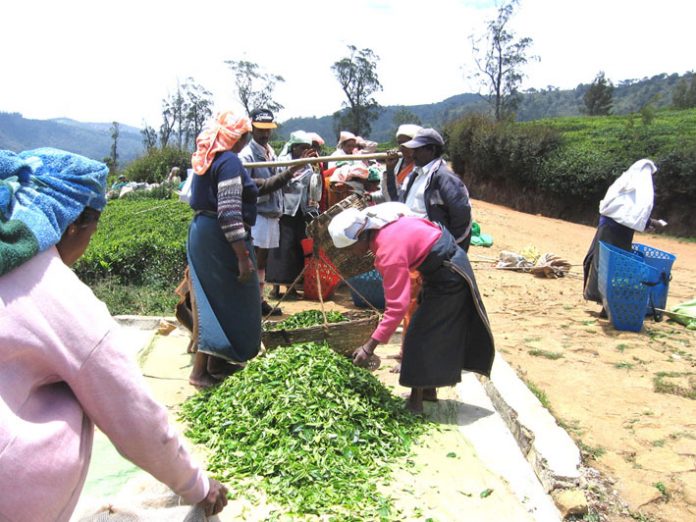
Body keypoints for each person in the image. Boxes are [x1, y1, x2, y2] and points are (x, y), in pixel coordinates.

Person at [0, 147, 228, 521]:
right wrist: (199, 486)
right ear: (74, 224)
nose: (89, 242)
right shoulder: (54, 292)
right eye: (93, 229)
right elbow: (136, 418)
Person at [327, 202, 495, 414]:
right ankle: (428, 391)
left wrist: (369, 347)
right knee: (427, 330)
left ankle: (415, 404)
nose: (353, 254)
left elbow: (397, 307)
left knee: (418, 335)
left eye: (351, 249)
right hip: (438, 270)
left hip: (449, 274)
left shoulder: (388, 250)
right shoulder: (382, 225)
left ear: (361, 237)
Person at [582, 158, 667, 315]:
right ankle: (606, 304)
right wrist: (647, 222)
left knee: (609, 264)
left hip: (614, 228)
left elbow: (632, 211)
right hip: (614, 231)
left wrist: (648, 222)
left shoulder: (627, 185)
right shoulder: (636, 185)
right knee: (610, 266)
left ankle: (607, 304)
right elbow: (637, 210)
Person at [239, 108, 283, 316]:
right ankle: (250, 302)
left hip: (271, 212)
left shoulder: (271, 152)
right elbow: (245, 188)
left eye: (268, 130)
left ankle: (259, 299)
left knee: (263, 259)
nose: (265, 134)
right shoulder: (247, 155)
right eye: (261, 130)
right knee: (255, 257)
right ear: (252, 129)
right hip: (258, 214)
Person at [266, 131, 321, 297]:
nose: (305, 151)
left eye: (307, 148)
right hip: (284, 211)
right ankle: (276, 288)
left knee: (296, 249)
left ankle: (292, 286)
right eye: (302, 148)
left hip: (300, 211)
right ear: (294, 147)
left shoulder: (309, 165)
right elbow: (280, 181)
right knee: (282, 248)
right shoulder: (283, 162)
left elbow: (312, 186)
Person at [376, 124, 422, 201]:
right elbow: (388, 194)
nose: (402, 147)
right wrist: (390, 169)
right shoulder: (397, 163)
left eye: (407, 143)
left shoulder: (422, 166)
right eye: (400, 143)